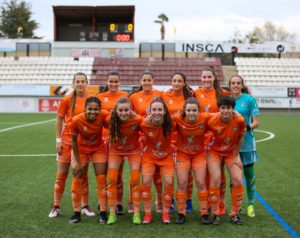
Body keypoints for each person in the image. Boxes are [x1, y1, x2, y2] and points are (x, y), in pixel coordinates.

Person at [49, 72, 95, 218]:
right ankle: (56, 206)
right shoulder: (67, 99)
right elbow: (59, 120)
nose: (80, 84)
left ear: (87, 83)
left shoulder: (91, 99)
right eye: (78, 81)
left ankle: (85, 206)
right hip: (67, 142)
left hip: (82, 143)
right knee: (62, 174)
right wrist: (58, 140)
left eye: (83, 81)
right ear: (73, 83)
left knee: (83, 175)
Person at [195, 66, 229, 214]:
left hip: (219, 137)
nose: (207, 79)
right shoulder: (195, 93)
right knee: (207, 173)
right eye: (204, 77)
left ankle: (221, 203)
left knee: (219, 172)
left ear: (214, 78)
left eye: (209, 77)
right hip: (201, 137)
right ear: (201, 78)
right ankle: (209, 202)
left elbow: (230, 108)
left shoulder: (222, 93)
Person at [69, 96, 109, 224]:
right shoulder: (76, 120)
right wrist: (77, 162)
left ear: (100, 109)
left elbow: (113, 124)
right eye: (90, 109)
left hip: (98, 148)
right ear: (85, 109)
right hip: (81, 150)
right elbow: (73, 142)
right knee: (77, 177)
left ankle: (103, 212)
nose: (93, 112)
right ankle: (76, 212)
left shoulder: (103, 115)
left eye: (96, 109)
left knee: (102, 179)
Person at [207, 96, 246, 225]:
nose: (225, 111)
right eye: (223, 108)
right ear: (219, 109)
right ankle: (215, 213)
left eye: (228, 108)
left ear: (232, 109)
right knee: (216, 179)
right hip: (214, 151)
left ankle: (235, 213)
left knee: (237, 179)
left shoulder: (240, 120)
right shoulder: (212, 120)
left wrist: (236, 156)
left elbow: (241, 138)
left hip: (231, 153)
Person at [172, 97, 211, 224]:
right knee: (182, 183)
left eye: (194, 110)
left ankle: (204, 214)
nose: (191, 113)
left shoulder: (204, 117)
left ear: (198, 111)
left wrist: (235, 113)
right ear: (184, 111)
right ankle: (181, 213)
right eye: (189, 110)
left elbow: (218, 115)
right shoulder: (177, 118)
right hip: (182, 154)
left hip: (198, 155)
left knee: (200, 183)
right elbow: (163, 121)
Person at [129, 70, 163, 213]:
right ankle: (132, 201)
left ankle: (159, 201)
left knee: (157, 173)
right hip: (140, 138)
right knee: (136, 171)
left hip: (156, 138)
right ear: (140, 81)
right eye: (144, 80)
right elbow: (129, 115)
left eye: (149, 80)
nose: (147, 82)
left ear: (153, 81)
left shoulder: (160, 95)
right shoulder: (134, 97)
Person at [106, 97, 143, 225]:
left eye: (126, 110)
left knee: (135, 180)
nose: (123, 113)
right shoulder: (109, 120)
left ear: (131, 110)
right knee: (111, 179)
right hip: (115, 151)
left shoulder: (137, 119)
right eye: (120, 110)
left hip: (133, 151)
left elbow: (149, 126)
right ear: (116, 111)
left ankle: (136, 213)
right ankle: (112, 213)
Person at [96, 70, 128, 215]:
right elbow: (97, 120)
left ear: (119, 82)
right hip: (103, 141)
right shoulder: (100, 97)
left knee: (118, 174)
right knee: (102, 174)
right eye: (111, 81)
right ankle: (102, 201)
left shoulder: (125, 96)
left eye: (116, 81)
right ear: (107, 82)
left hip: (119, 141)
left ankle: (119, 203)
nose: (113, 84)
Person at [162, 72, 195, 213]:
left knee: (187, 175)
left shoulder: (189, 97)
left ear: (184, 83)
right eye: (174, 80)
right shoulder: (164, 96)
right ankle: (169, 201)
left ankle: (187, 200)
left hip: (185, 140)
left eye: (179, 81)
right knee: (169, 174)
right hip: (168, 141)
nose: (176, 83)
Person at [229, 75, 260, 218]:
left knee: (249, 176)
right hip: (230, 146)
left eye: (238, 83)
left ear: (242, 85)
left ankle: (251, 204)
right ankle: (236, 205)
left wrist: (245, 128)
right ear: (229, 85)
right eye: (233, 83)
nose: (235, 85)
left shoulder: (249, 99)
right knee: (234, 178)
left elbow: (256, 122)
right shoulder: (227, 100)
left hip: (247, 144)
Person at [140, 98, 175, 224]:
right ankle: (148, 214)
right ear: (149, 111)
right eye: (154, 109)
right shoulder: (144, 124)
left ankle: (165, 213)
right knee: (146, 181)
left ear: (164, 111)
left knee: (170, 182)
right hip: (149, 157)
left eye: (160, 109)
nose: (157, 112)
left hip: (166, 157)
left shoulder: (171, 124)